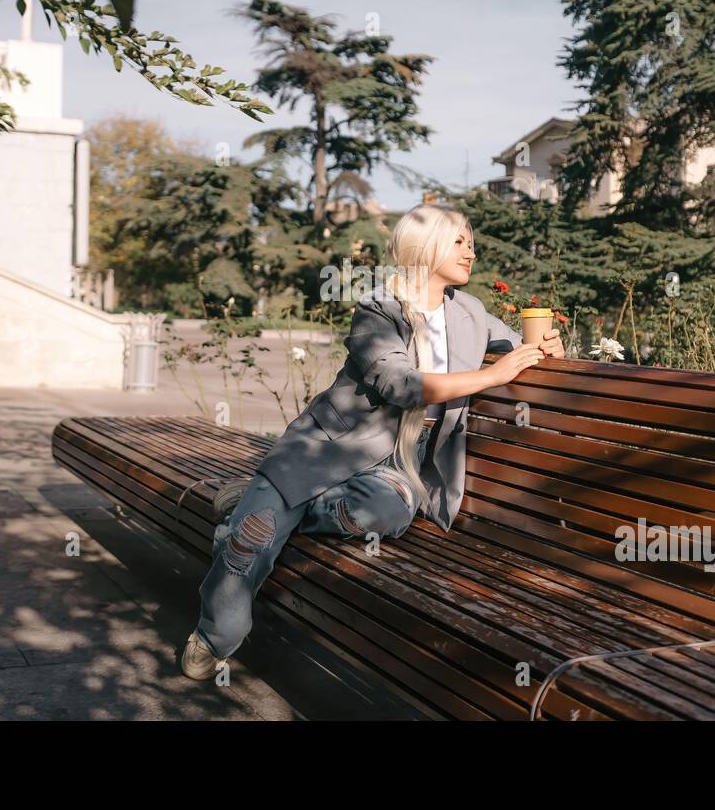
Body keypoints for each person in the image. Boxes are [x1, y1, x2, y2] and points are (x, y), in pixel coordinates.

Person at [182, 202, 564, 679]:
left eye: (471, 242)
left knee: (382, 514)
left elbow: (518, 347)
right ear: (425, 248)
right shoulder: (378, 310)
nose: (471, 252)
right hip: (325, 450)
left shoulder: (471, 313)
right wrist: (491, 377)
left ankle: (277, 505)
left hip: (402, 465)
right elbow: (401, 385)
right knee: (248, 545)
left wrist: (547, 346)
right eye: (459, 241)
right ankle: (216, 635)